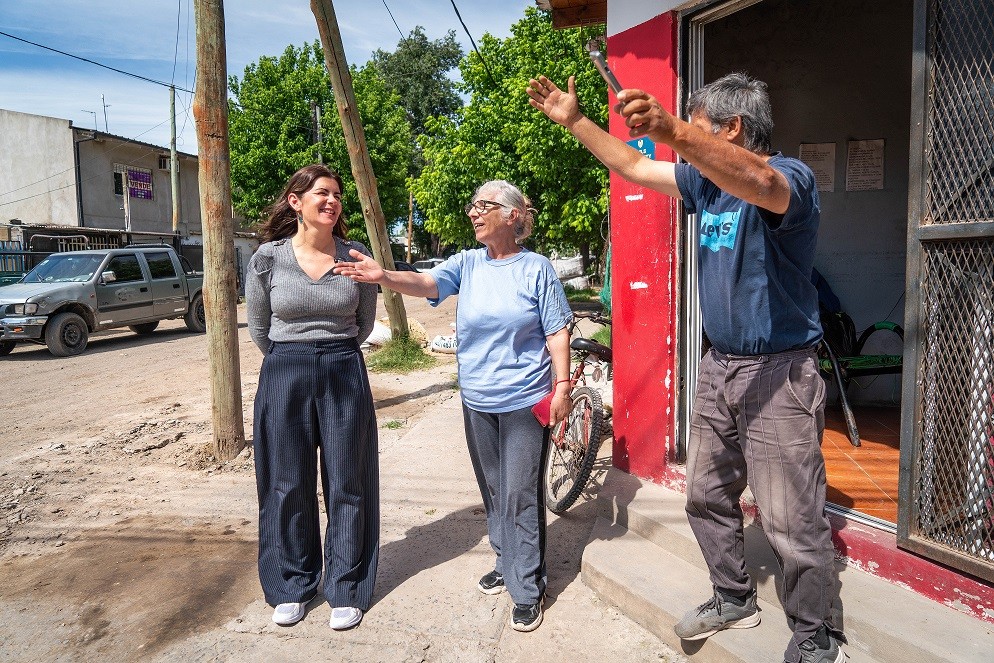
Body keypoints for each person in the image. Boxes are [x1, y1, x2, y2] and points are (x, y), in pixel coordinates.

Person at [527, 73, 843, 663]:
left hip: (780, 373)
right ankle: (733, 594)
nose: (687, 143)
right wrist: (575, 122)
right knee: (703, 493)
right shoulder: (705, 184)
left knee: (791, 519)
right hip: (720, 366)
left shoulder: (789, 178)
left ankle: (814, 634)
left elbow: (762, 181)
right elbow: (633, 165)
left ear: (732, 129)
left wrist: (671, 129)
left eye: (698, 130)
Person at [334, 180, 573, 632]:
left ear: (513, 215)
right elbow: (427, 281)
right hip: (477, 399)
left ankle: (528, 585)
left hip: (525, 400)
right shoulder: (467, 264)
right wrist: (384, 276)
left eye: (485, 205)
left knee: (520, 493)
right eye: (473, 205)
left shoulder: (536, 268)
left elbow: (556, 330)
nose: (474, 212)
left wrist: (561, 386)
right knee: (495, 490)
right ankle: (507, 562)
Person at [246, 164, 379, 631]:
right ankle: (292, 582)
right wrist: (294, 357)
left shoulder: (356, 257)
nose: (332, 201)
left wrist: (332, 351)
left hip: (343, 368)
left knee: (349, 480)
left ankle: (346, 585)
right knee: (286, 483)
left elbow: (363, 325)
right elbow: (260, 328)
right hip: (285, 370)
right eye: (322, 192)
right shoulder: (267, 258)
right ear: (295, 202)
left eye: (338, 194)